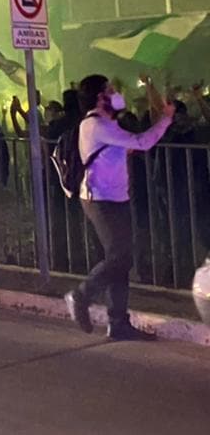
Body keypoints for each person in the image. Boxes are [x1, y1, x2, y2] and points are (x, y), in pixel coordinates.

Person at [65, 74, 173, 342]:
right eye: (110, 90)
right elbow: (143, 142)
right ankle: (82, 294)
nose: (115, 94)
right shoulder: (96, 125)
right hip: (102, 200)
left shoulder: (105, 125)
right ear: (99, 97)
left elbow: (125, 147)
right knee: (121, 258)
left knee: (119, 260)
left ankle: (118, 322)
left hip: (113, 197)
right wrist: (166, 119)